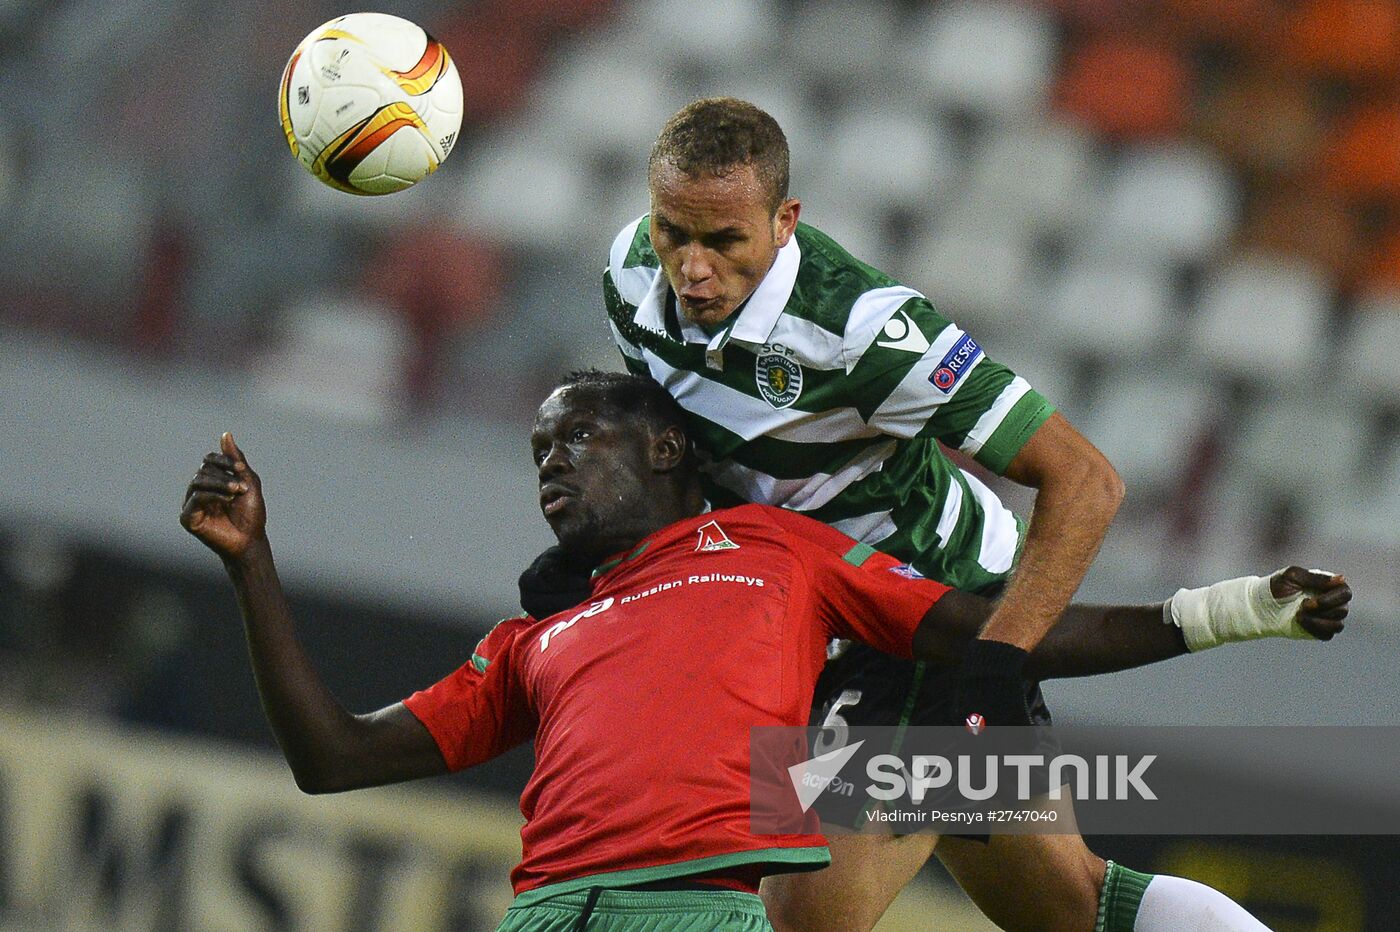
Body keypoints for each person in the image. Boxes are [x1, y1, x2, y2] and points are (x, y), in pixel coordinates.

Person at [181, 371, 1351, 931]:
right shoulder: (535, 634)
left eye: (577, 435)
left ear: (669, 450)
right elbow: (331, 755)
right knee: (1057, 896)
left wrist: (1232, 606)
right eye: (537, 446)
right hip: (543, 917)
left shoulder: (779, 552)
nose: (549, 461)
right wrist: (251, 562)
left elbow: (1010, 634)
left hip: (700, 907)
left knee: (938, 904)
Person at [584, 96, 1292, 931]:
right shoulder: (630, 273)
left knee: (801, 915)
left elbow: (1087, 479)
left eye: (725, 240)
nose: (692, 267)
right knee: (1069, 907)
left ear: (785, 222)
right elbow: (681, 452)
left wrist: (995, 661)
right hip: (825, 620)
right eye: (676, 231)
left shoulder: (867, 329)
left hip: (926, 611)